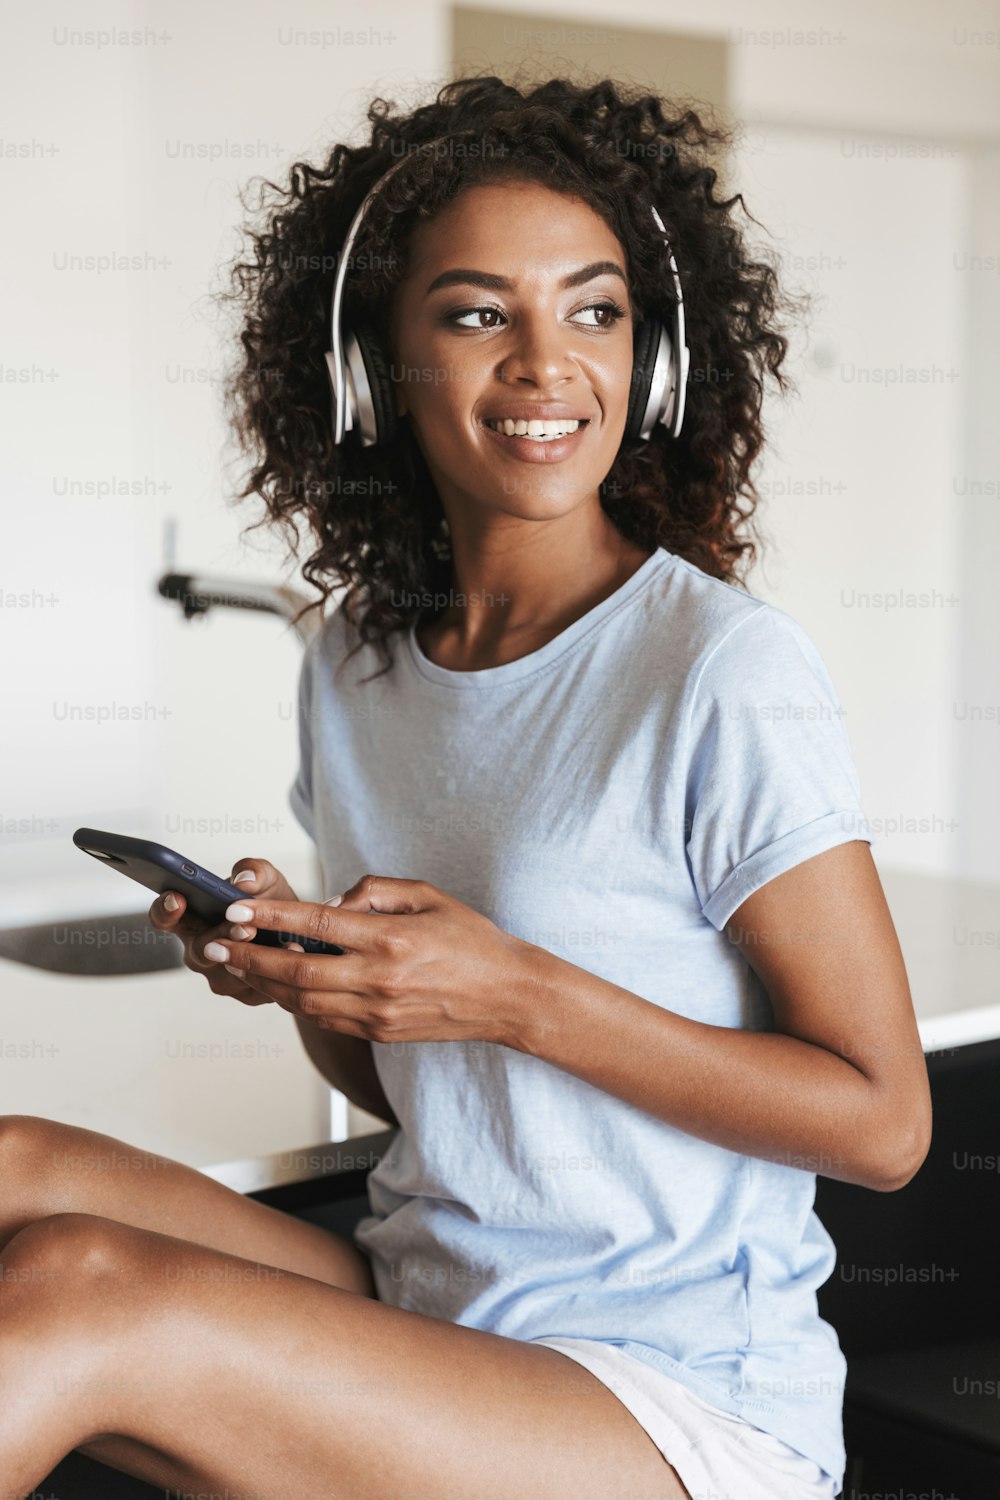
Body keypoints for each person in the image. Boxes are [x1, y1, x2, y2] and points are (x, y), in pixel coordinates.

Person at [0, 75, 930, 1500]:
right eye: (480, 312)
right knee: (12, 1166)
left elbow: (883, 1125)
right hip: (435, 1297)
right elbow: (419, 1084)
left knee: (78, 1288)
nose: (548, 362)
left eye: (597, 310)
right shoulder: (359, 664)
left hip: (670, 1395)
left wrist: (515, 991)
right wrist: (315, 983)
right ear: (377, 365)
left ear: (656, 360)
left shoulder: (721, 670)